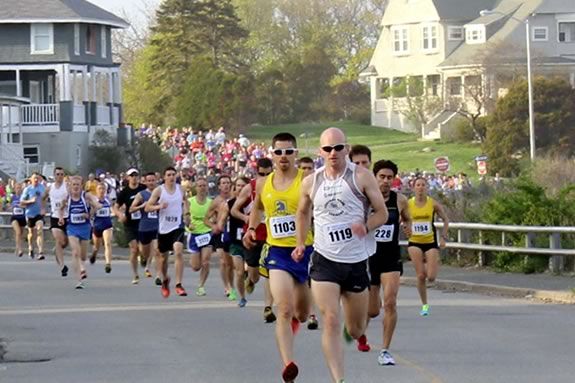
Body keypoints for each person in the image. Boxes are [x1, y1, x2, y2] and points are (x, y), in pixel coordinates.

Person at [293, 127, 387, 383]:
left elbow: (382, 212)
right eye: (327, 149)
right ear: (319, 152)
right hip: (324, 261)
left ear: (346, 148)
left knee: (355, 330)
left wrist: (365, 226)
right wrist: (301, 242)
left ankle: (357, 331)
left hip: (356, 262)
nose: (333, 153)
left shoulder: (362, 177)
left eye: (338, 147)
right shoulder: (311, 182)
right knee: (331, 320)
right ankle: (339, 379)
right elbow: (302, 213)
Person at [244, 132, 314, 383]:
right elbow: (258, 209)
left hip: (304, 251)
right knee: (283, 308)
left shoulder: (307, 180)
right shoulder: (263, 183)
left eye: (288, 152)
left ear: (295, 154)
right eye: (278, 152)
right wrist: (252, 229)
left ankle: (298, 318)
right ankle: (288, 365)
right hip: (277, 253)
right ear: (271, 155)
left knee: (303, 314)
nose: (283, 156)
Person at [369, 160, 412, 366]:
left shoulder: (400, 200)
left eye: (389, 178)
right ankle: (358, 327)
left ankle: (385, 349)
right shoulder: (365, 199)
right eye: (382, 177)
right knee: (372, 310)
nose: (386, 181)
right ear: (374, 177)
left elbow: (407, 218)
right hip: (368, 257)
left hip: (390, 258)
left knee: (390, 302)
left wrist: (407, 227)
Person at [233, 157, 276, 322]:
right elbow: (235, 210)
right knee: (256, 275)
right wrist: (246, 219)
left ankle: (268, 307)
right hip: (253, 236)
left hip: (272, 236)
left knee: (271, 273)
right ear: (256, 172)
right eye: (261, 174)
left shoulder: (278, 186)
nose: (264, 177)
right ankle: (250, 278)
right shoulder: (249, 188)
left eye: (268, 173)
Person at [407, 177, 449, 316]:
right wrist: (405, 228)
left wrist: (443, 237)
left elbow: (445, 219)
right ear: (413, 188)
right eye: (418, 185)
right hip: (414, 242)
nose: (420, 188)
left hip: (430, 242)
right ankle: (425, 305)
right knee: (420, 276)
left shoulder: (433, 204)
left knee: (431, 277)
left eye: (423, 185)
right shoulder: (408, 204)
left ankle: (430, 265)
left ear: (427, 187)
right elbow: (402, 220)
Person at [145, 166, 189, 298]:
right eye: (168, 175)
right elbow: (147, 207)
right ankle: (165, 280)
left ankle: (179, 284)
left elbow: (186, 202)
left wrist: (187, 214)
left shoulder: (181, 189)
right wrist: (159, 206)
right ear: (164, 177)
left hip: (178, 226)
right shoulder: (159, 190)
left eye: (173, 174)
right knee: (163, 258)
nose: (171, 177)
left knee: (178, 251)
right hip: (164, 229)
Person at [348, 145, 374, 352]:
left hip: (376, 250)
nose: (361, 166)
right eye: (357, 163)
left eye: (365, 162)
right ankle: (358, 332)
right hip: (349, 251)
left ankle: (359, 328)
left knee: (373, 308)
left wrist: (367, 225)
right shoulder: (343, 186)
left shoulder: (377, 186)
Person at [60, 176, 102, 289]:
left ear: (81, 186)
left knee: (83, 256)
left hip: (85, 227)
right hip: (71, 228)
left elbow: (96, 204)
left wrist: (92, 212)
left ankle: (82, 265)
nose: (75, 187)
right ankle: (78, 280)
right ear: (70, 186)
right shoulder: (67, 197)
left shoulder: (85, 196)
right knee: (75, 252)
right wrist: (60, 218)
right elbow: (61, 208)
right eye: (73, 184)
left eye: (78, 185)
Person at [217, 177, 250, 307]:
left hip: (250, 241)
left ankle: (251, 278)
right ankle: (242, 297)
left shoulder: (253, 202)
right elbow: (222, 219)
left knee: (251, 271)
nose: (240, 188)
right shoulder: (229, 204)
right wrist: (220, 224)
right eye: (238, 186)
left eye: (243, 186)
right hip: (235, 242)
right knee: (239, 272)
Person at [204, 175, 235, 299]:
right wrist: (213, 226)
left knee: (230, 262)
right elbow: (205, 219)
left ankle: (231, 284)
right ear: (219, 186)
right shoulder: (216, 201)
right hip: (220, 233)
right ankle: (227, 287)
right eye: (223, 183)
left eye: (228, 182)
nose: (226, 185)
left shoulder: (235, 198)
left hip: (232, 231)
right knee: (223, 261)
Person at [114, 168, 146, 284]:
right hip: (129, 223)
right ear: (128, 178)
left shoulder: (143, 188)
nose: (134, 177)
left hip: (143, 222)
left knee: (143, 248)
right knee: (133, 249)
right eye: (131, 175)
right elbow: (116, 207)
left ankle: (143, 256)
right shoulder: (124, 192)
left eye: (136, 175)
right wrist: (120, 214)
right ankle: (135, 274)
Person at [129, 172, 160, 282]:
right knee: (144, 252)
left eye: (153, 180)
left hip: (158, 226)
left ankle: (158, 276)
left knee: (157, 250)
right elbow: (131, 209)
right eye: (149, 180)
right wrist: (142, 206)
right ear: (145, 182)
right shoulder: (141, 194)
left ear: (157, 180)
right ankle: (143, 257)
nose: (151, 182)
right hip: (144, 227)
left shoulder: (161, 193)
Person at [187, 178, 213, 296]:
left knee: (206, 262)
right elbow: (185, 217)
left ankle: (201, 286)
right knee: (196, 267)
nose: (202, 188)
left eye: (204, 186)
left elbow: (216, 216)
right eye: (200, 186)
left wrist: (213, 222)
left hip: (207, 233)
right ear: (196, 188)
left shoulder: (211, 203)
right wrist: (188, 224)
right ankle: (194, 259)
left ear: (207, 188)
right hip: (194, 234)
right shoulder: (190, 201)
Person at [45, 167, 69, 276]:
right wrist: (42, 208)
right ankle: (63, 266)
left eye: (61, 174)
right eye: (58, 174)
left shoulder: (67, 186)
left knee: (65, 242)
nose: (59, 176)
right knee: (59, 240)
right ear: (54, 175)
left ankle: (57, 250)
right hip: (55, 216)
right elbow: (42, 198)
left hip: (67, 216)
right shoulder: (50, 188)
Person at [20, 173, 46, 259]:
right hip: (30, 213)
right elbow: (22, 202)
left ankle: (41, 252)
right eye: (34, 178)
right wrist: (30, 201)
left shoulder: (42, 188)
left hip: (39, 213)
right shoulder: (27, 189)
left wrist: (43, 208)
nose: (36, 180)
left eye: (37, 178)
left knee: (40, 230)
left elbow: (45, 198)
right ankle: (30, 247)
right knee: (31, 233)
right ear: (31, 179)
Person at [91, 182, 114, 273]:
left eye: (103, 189)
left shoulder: (108, 200)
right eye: (100, 189)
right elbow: (91, 214)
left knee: (107, 243)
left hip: (107, 225)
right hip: (97, 226)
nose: (101, 191)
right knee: (97, 246)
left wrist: (117, 213)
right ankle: (94, 254)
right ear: (96, 190)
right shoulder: (94, 201)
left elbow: (112, 209)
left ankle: (108, 264)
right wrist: (96, 208)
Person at [9, 182, 26, 258]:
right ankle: (20, 249)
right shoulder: (13, 197)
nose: (18, 190)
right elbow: (9, 205)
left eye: (20, 188)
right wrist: (11, 206)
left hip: (22, 217)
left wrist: (22, 205)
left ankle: (17, 247)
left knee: (20, 234)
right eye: (17, 188)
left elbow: (27, 205)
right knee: (18, 232)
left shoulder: (24, 197)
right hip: (14, 217)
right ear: (15, 189)